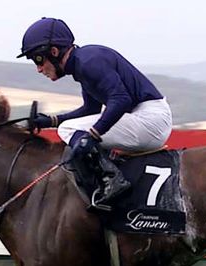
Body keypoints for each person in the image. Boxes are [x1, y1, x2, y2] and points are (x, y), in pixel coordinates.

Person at [17, 17, 172, 210]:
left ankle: (112, 179)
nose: (39, 69)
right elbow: (90, 110)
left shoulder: (89, 62)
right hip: (148, 118)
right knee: (67, 128)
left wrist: (92, 135)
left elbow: (121, 99)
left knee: (68, 130)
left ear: (54, 52)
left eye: (38, 60)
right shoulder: (83, 63)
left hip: (150, 120)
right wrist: (50, 120)